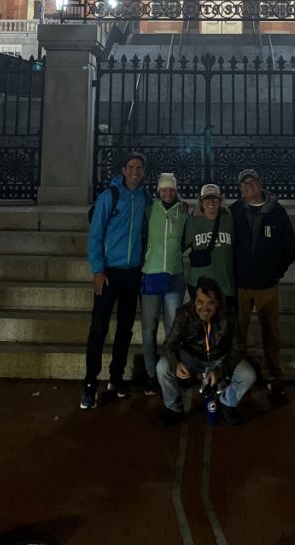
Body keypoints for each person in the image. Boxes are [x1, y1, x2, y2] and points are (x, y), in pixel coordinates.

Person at [80, 152, 150, 410]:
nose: (135, 171)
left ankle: (116, 377)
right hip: (108, 272)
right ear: (123, 170)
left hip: (133, 273)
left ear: (144, 172)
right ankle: (90, 383)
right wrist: (98, 269)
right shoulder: (110, 196)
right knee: (98, 328)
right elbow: (96, 234)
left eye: (139, 168)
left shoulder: (144, 198)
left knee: (125, 328)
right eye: (131, 167)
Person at [156, 276, 256, 427]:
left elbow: (238, 349)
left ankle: (227, 403)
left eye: (210, 303)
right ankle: (173, 408)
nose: (204, 308)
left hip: (220, 359)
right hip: (193, 357)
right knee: (162, 367)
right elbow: (169, 345)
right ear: (194, 301)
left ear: (218, 303)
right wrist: (176, 364)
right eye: (200, 302)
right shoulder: (184, 314)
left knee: (248, 375)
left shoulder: (229, 317)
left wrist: (219, 371)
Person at [231, 168, 295, 397]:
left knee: (271, 333)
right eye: (244, 184)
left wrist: (276, 272)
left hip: (267, 285)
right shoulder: (234, 212)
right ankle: (237, 375)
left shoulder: (277, 212)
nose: (249, 187)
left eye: (252, 182)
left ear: (260, 184)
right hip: (241, 285)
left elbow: (289, 247)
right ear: (240, 189)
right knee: (238, 334)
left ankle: (274, 376)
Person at [140, 172, 190, 396]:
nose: (168, 192)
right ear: (158, 191)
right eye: (164, 189)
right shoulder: (150, 210)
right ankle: (151, 374)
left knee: (173, 329)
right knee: (149, 329)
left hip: (175, 275)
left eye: (171, 189)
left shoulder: (183, 211)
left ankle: (172, 370)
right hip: (151, 274)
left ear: (176, 190)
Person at [182, 184, 235, 309]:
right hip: (199, 285)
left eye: (215, 198)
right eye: (207, 199)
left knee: (223, 325)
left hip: (224, 285)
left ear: (220, 201)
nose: (211, 202)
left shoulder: (229, 221)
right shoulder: (192, 222)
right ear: (201, 202)